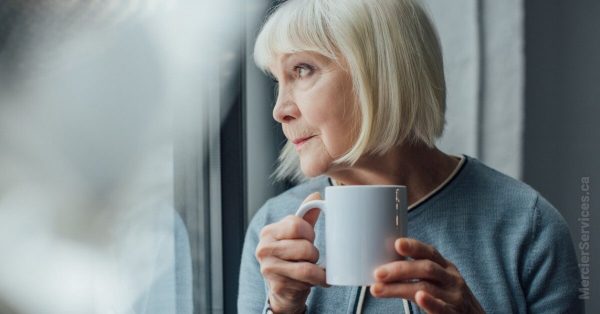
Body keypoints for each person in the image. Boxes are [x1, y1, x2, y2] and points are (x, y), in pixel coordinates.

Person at [238, 0, 583, 313]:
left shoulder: (526, 226)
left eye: (301, 70)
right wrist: (282, 307)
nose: (279, 110)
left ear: (381, 72)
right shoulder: (276, 229)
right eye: (278, 80)